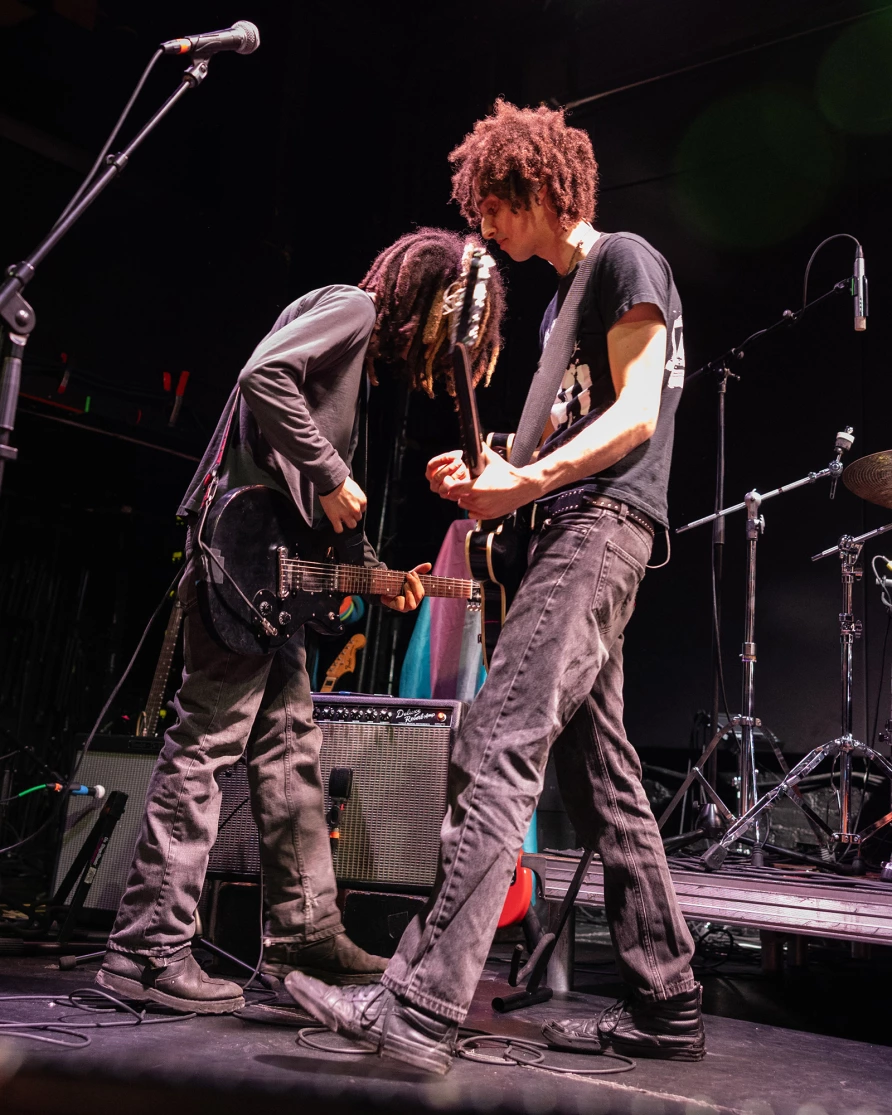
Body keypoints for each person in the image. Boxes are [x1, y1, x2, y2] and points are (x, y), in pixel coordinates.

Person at [285, 100, 703, 1073]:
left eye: (496, 207)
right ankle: (668, 996)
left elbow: (638, 412)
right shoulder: (558, 305)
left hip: (599, 530)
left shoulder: (622, 260)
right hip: (566, 531)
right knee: (601, 780)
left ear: (538, 188)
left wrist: (525, 479)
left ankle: (421, 1004)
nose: (486, 228)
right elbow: (532, 452)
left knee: (497, 743)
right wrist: (486, 481)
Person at [96, 228, 504, 1015]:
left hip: (268, 571)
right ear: (426, 294)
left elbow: (317, 507)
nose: (437, 345)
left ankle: (305, 931)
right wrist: (332, 471)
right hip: (241, 560)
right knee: (205, 746)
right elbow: (262, 375)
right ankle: (144, 951)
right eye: (445, 321)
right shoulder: (351, 308)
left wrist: (380, 575)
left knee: (290, 749)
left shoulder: (353, 348)